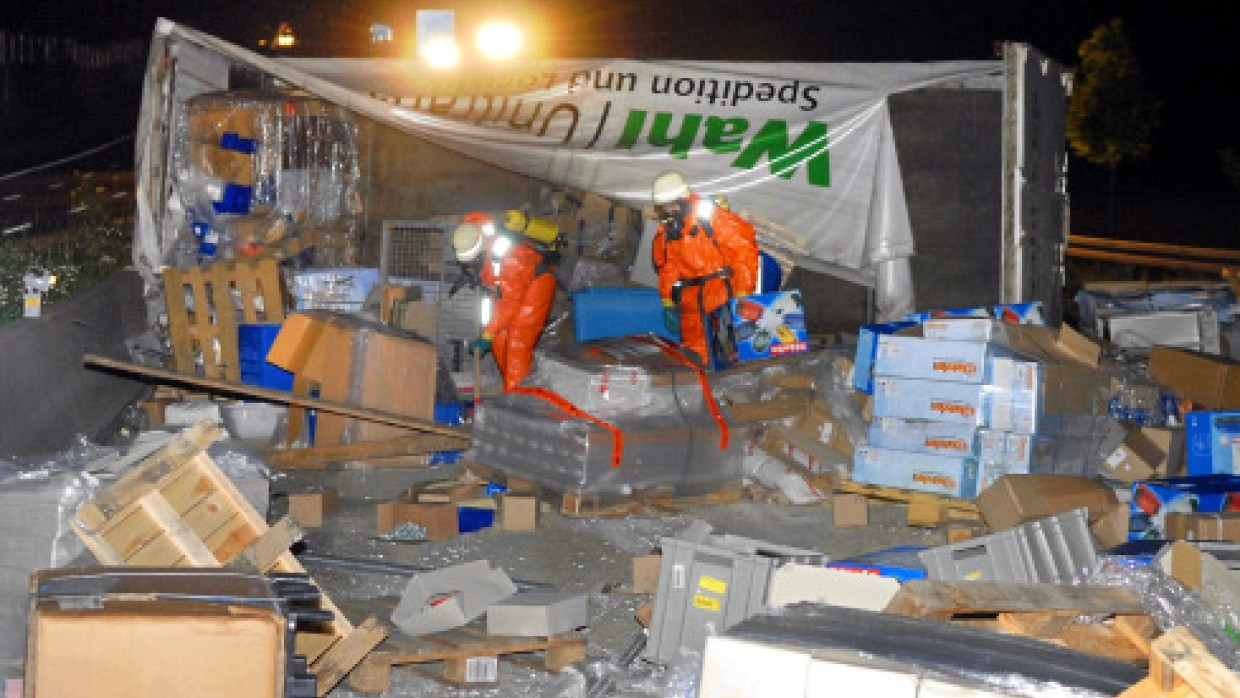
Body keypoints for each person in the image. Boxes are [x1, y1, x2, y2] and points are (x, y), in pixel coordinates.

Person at [651, 171, 760, 364]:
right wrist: (668, 301)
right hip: (691, 299)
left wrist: (744, 291)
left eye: (674, 205)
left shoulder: (710, 215)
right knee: (695, 355)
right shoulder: (669, 228)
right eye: (665, 207)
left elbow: (743, 251)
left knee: (728, 354)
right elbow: (669, 266)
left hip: (720, 293)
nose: (670, 210)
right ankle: (701, 389)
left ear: (684, 198)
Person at [452, 210, 559, 391]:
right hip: (513, 289)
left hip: (537, 286)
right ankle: (513, 385)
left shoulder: (509, 258)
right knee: (500, 339)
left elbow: (509, 304)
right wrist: (491, 333)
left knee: (517, 342)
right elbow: (500, 291)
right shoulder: (479, 235)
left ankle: (518, 400)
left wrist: (487, 333)